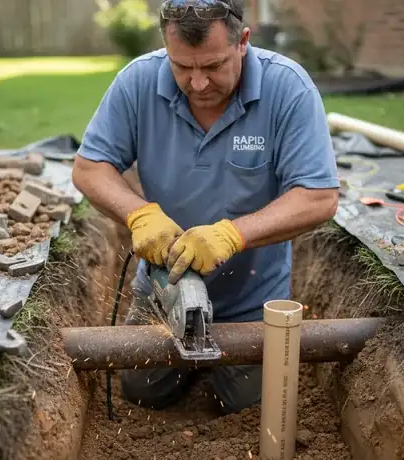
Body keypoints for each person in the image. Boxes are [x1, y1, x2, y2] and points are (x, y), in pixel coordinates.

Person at [71, 0, 340, 414]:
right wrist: (138, 213)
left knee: (245, 406)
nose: (197, 84)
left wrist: (232, 235)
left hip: (253, 299)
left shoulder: (288, 88)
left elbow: (318, 196)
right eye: (182, 67)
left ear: (243, 42)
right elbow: (90, 168)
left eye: (213, 66)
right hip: (162, 289)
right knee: (144, 393)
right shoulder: (138, 82)